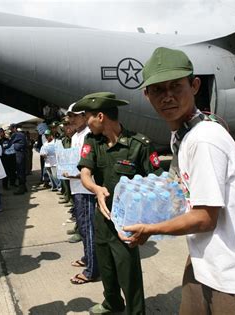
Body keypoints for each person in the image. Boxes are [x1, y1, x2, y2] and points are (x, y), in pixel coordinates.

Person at [122, 47, 235, 314]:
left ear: (195, 85)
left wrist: (152, 229)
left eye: (175, 86)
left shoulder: (204, 138)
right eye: (157, 89)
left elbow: (205, 218)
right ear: (147, 95)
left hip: (234, 277)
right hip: (205, 264)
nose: (167, 97)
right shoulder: (183, 134)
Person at [73, 92, 162, 315]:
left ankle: (135, 311)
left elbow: (159, 182)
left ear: (100, 116)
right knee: (106, 267)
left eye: (88, 117)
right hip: (102, 218)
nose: (86, 122)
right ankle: (112, 303)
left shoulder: (139, 144)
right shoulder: (92, 140)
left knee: (128, 270)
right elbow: (85, 173)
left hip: (127, 221)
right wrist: (96, 189)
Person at [65, 103, 98, 285]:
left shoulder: (89, 135)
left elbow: (91, 164)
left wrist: (77, 174)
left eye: (75, 116)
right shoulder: (76, 135)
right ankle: (87, 257)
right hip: (76, 186)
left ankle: (92, 270)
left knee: (88, 228)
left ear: (85, 116)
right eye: (70, 116)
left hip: (86, 188)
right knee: (83, 227)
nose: (71, 119)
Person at [8, 123, 28, 195]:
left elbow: (9, 144)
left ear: (14, 128)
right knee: (22, 170)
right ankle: (24, 187)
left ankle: (21, 188)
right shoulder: (21, 134)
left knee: (20, 171)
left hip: (19, 154)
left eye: (11, 128)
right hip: (22, 154)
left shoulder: (16, 135)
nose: (10, 130)